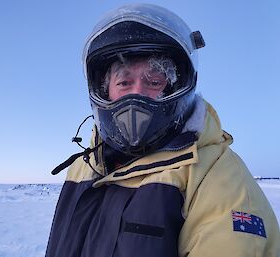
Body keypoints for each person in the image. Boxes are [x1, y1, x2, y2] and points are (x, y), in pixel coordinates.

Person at [46, 4, 280, 257]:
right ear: (104, 90)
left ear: (177, 87)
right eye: (124, 82)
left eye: (154, 81)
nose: (136, 95)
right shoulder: (85, 165)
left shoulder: (215, 175)